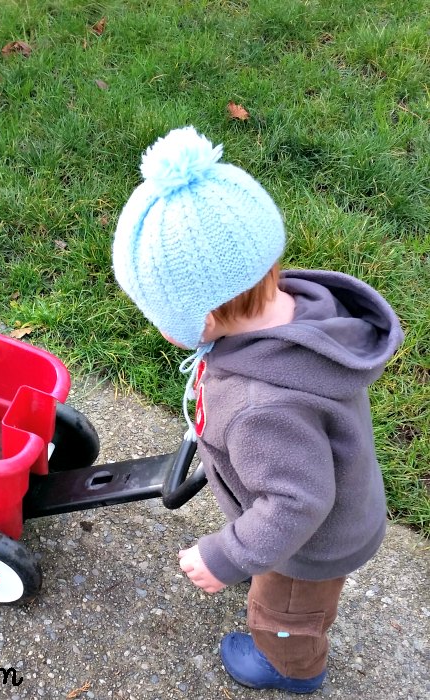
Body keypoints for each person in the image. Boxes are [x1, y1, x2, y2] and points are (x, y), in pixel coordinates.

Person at [111, 126, 404, 694]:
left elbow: (296, 503)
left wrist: (226, 555)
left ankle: (290, 666)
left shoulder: (259, 408)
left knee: (286, 614)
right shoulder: (303, 312)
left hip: (310, 544)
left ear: (202, 321)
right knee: (294, 599)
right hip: (340, 497)